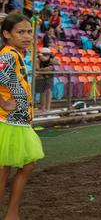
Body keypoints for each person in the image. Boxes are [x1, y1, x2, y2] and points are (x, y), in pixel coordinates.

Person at [0, 13, 44, 220]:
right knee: (4, 172)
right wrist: (3, 102)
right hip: (7, 122)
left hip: (17, 122)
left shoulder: (16, 54)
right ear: (7, 34)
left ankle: (12, 213)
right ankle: (11, 214)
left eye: (29, 32)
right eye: (20, 32)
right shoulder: (8, 55)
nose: (27, 36)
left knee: (24, 165)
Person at [35, 47, 56, 112]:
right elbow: (37, 69)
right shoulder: (37, 59)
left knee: (49, 92)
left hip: (49, 77)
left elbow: (51, 68)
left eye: (48, 54)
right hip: (41, 77)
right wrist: (44, 70)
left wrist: (42, 70)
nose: (46, 56)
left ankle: (48, 108)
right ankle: (43, 109)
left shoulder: (51, 59)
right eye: (45, 54)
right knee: (42, 93)